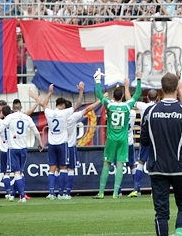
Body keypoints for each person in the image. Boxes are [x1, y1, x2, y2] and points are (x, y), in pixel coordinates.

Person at [140, 72, 182, 236]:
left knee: (161, 212)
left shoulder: (150, 111)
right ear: (178, 88)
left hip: (157, 167)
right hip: (180, 166)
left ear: (161, 88)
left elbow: (143, 141)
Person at [93, 69, 142, 199]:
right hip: (123, 139)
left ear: (113, 96)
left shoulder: (109, 105)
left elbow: (98, 93)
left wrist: (97, 80)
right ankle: (115, 193)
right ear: (122, 97)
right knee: (120, 164)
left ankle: (101, 192)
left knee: (107, 163)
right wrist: (138, 79)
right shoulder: (127, 106)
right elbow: (137, 94)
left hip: (111, 138)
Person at [0, 105, 44, 202]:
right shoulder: (27, 118)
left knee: (16, 173)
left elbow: (0, 130)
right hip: (23, 148)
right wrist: (40, 143)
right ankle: (20, 195)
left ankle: (22, 196)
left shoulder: (10, 117)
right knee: (21, 172)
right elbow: (36, 132)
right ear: (21, 107)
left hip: (13, 148)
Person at [36, 85, 75, 199]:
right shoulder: (65, 113)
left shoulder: (49, 113)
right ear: (63, 105)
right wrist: (81, 92)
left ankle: (51, 193)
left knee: (52, 168)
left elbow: (44, 104)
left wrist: (49, 93)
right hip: (62, 143)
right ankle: (61, 193)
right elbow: (78, 105)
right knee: (63, 168)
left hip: (52, 144)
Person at [64, 81, 101, 199]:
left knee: (57, 169)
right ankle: (67, 192)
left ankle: (56, 192)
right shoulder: (72, 116)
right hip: (70, 146)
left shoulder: (56, 115)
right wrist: (100, 100)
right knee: (70, 169)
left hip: (59, 145)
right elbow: (88, 108)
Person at [130, 89, 160, 197]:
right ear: (157, 98)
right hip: (157, 137)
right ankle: (154, 190)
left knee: (141, 161)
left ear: (147, 97)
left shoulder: (142, 106)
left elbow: (130, 100)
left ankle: (136, 189)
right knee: (156, 163)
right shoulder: (159, 107)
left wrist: (126, 86)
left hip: (145, 136)